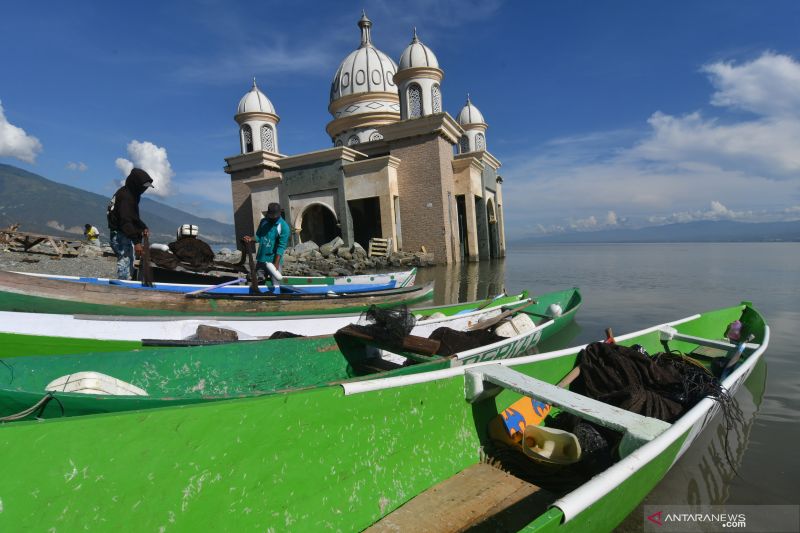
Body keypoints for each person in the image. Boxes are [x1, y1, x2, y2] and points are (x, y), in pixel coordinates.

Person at [106, 168, 154, 279]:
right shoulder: (126, 197)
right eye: (144, 187)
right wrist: (136, 242)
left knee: (130, 262)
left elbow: (133, 217)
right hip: (120, 235)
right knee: (125, 262)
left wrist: (143, 227)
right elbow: (125, 221)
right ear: (136, 183)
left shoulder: (130, 193)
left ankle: (127, 283)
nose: (145, 189)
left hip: (124, 233)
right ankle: (123, 287)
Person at [243, 202, 289, 282]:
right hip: (261, 259)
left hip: (273, 260)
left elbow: (281, 247)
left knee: (275, 283)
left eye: (275, 217)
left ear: (279, 214)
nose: (273, 219)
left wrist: (276, 263)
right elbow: (258, 237)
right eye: (271, 217)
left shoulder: (284, 226)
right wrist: (251, 239)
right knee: (259, 281)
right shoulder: (263, 222)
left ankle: (276, 293)